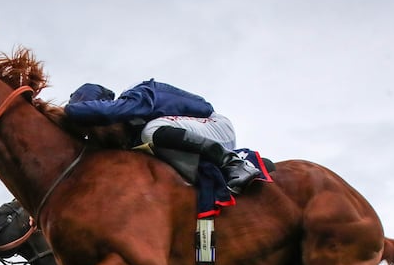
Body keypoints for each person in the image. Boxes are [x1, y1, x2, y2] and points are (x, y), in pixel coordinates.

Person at [64, 80, 262, 194]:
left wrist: (65, 113)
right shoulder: (126, 135)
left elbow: (101, 113)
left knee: (151, 130)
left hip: (216, 128)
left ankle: (233, 164)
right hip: (192, 136)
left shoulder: (138, 95)